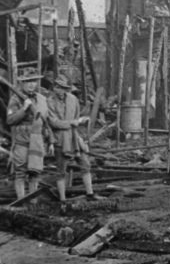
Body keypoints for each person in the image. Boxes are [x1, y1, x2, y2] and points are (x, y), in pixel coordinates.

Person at [46, 75, 105, 207]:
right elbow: (54, 122)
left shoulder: (73, 99)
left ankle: (90, 194)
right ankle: (63, 199)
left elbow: (77, 117)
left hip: (74, 137)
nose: (59, 90)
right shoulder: (49, 102)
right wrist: (74, 122)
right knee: (61, 171)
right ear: (54, 87)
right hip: (60, 139)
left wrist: (80, 125)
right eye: (57, 86)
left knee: (85, 165)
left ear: (67, 89)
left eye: (62, 87)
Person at [6, 68, 49, 201]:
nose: (31, 84)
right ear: (22, 83)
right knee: (20, 172)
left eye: (34, 81)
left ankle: (33, 203)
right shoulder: (15, 99)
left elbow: (45, 121)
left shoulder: (40, 99)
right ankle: (21, 202)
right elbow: (10, 120)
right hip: (21, 141)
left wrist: (49, 140)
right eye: (28, 81)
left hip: (36, 140)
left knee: (34, 172)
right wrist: (24, 109)